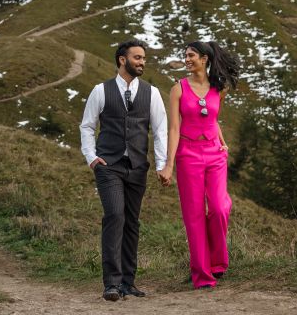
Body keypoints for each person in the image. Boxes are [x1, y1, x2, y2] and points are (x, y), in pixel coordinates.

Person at [79, 39, 168, 301]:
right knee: (115, 215)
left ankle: (128, 282)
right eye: (137, 57)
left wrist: (161, 164)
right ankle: (112, 284)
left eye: (144, 58)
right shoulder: (100, 90)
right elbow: (87, 126)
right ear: (122, 60)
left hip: (137, 167)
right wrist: (91, 157)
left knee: (131, 222)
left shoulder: (152, 93)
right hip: (109, 166)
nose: (142, 62)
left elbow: (160, 130)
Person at [157, 40, 240, 290]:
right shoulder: (178, 89)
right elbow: (174, 128)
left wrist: (223, 142)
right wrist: (168, 164)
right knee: (194, 216)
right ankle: (203, 275)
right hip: (188, 155)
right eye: (185, 55)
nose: (187, 59)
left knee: (218, 207)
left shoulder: (219, 88)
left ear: (204, 59)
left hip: (215, 155)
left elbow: (213, 119)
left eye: (191, 55)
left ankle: (218, 262)